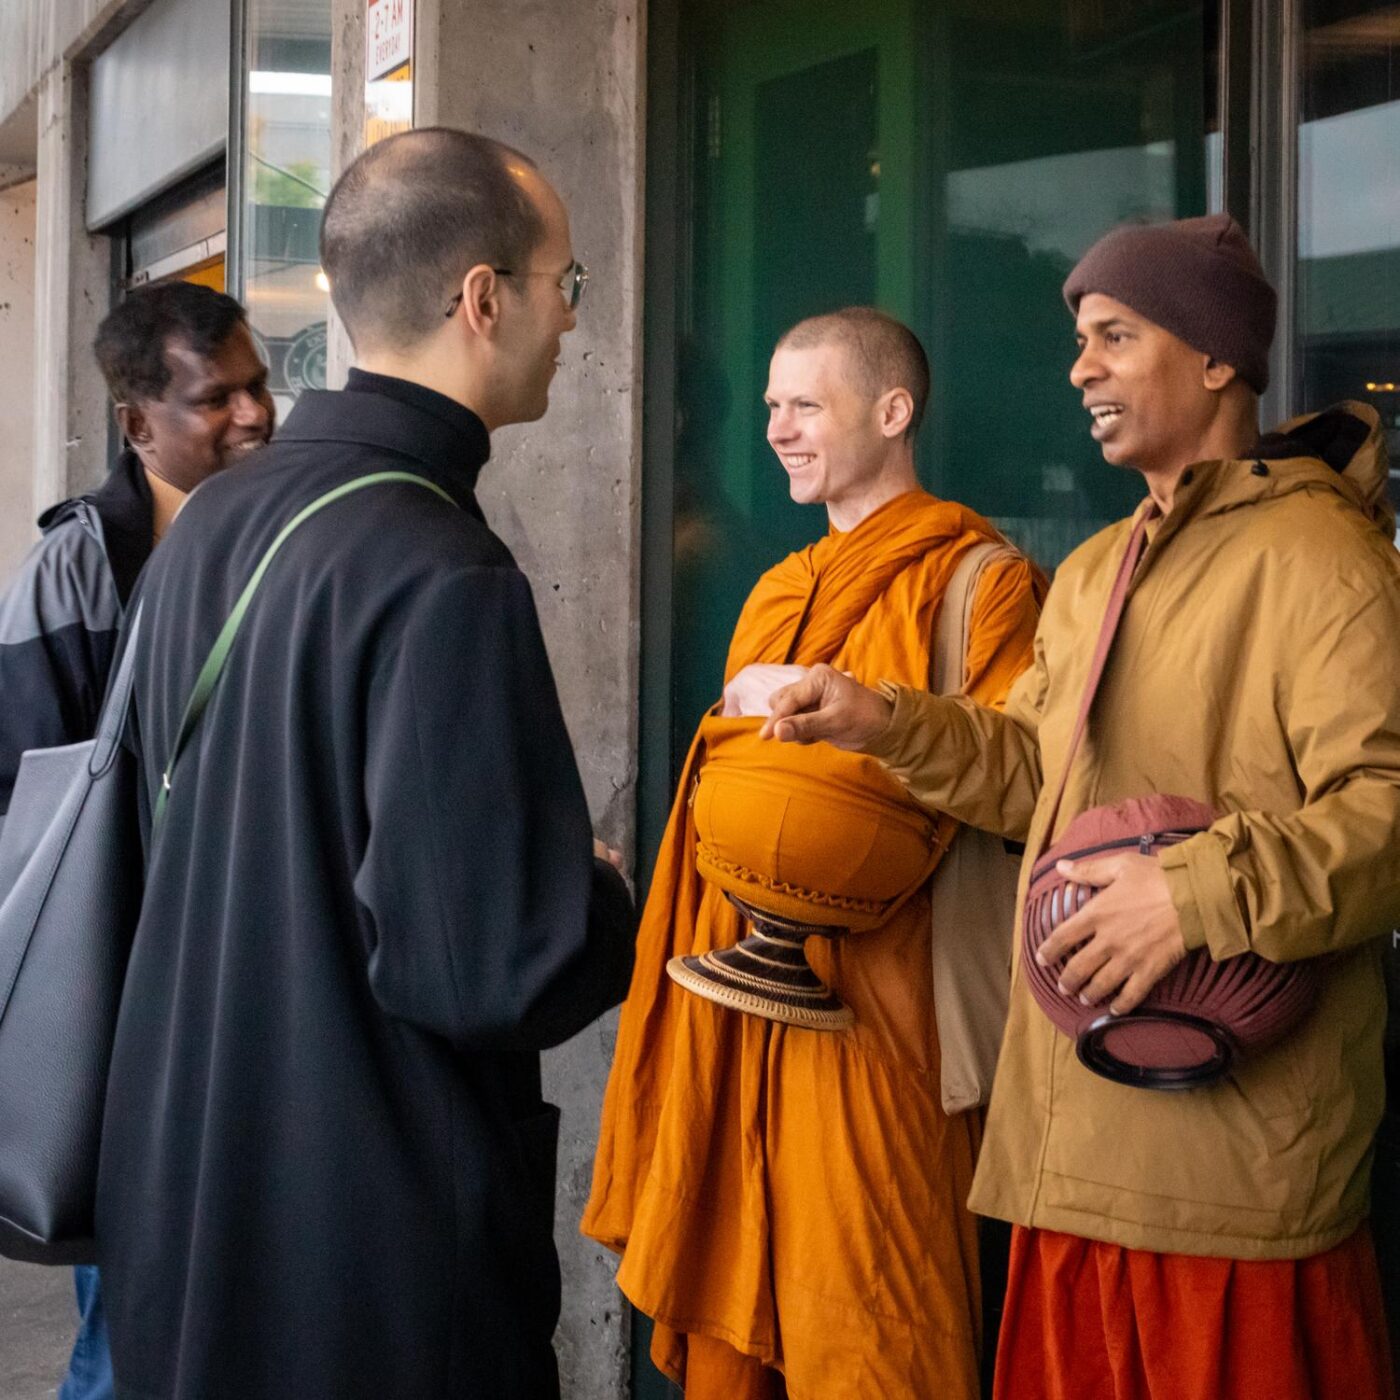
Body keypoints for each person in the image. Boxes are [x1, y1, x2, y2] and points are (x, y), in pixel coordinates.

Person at [762, 215, 1400, 1398]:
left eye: (1113, 334)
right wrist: (880, 718)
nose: (1078, 368)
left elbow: (1384, 807)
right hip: (1070, 1134)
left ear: (1215, 359)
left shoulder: (1322, 557)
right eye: (1077, 340)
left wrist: (1194, 889)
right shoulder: (1100, 567)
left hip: (1228, 1179)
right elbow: (1027, 772)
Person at [93, 128, 635, 1400]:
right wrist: (595, 889)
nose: (570, 318)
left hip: (191, 1198)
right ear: (482, 298)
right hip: (372, 1259)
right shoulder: (443, 569)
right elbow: (486, 962)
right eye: (567, 282)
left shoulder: (214, 518)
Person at [584, 308, 1045, 1398]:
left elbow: (1025, 782)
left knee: (877, 1324)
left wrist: (874, 725)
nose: (778, 431)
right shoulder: (779, 587)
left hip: (890, 1013)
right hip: (744, 999)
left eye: (804, 405)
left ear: (892, 412)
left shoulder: (980, 581)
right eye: (769, 409)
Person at [0, 280, 274, 1400]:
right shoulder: (78, 565)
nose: (255, 415)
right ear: (136, 422)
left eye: (261, 384)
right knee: (130, 1336)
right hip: (126, 1007)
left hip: (255, 985)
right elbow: (23, 810)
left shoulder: (284, 532)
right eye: (220, 397)